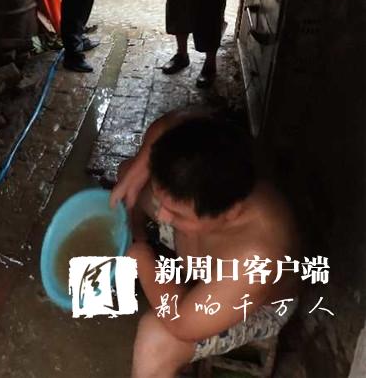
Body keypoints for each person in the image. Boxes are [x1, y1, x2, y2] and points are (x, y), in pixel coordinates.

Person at [110, 110, 301, 378]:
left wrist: (141, 257)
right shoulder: (209, 156)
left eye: (177, 214)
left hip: (249, 302)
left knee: (156, 338)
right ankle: (137, 233)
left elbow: (183, 323)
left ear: (231, 213)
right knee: (129, 177)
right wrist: (142, 165)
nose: (162, 216)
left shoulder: (258, 256)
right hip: (202, 244)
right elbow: (170, 123)